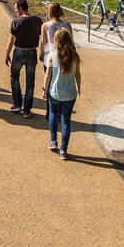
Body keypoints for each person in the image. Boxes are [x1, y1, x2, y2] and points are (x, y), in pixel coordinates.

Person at [42, 30, 82, 160]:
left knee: (53, 113)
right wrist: (79, 87)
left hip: (55, 92)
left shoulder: (52, 56)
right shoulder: (74, 56)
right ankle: (64, 149)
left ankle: (53, 140)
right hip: (70, 93)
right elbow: (77, 75)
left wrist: (44, 89)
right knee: (66, 120)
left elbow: (47, 75)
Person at [5, 0, 43, 117]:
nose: (16, 11)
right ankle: (27, 110)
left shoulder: (16, 21)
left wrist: (7, 54)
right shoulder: (37, 20)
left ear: (21, 9)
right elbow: (43, 38)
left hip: (19, 52)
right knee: (30, 82)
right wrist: (42, 52)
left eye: (16, 9)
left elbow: (11, 41)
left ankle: (17, 104)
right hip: (32, 52)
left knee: (14, 77)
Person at [38, 2, 73, 67]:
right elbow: (71, 41)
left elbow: (43, 42)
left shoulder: (45, 25)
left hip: (50, 56)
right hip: (65, 55)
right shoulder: (67, 24)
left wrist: (41, 53)